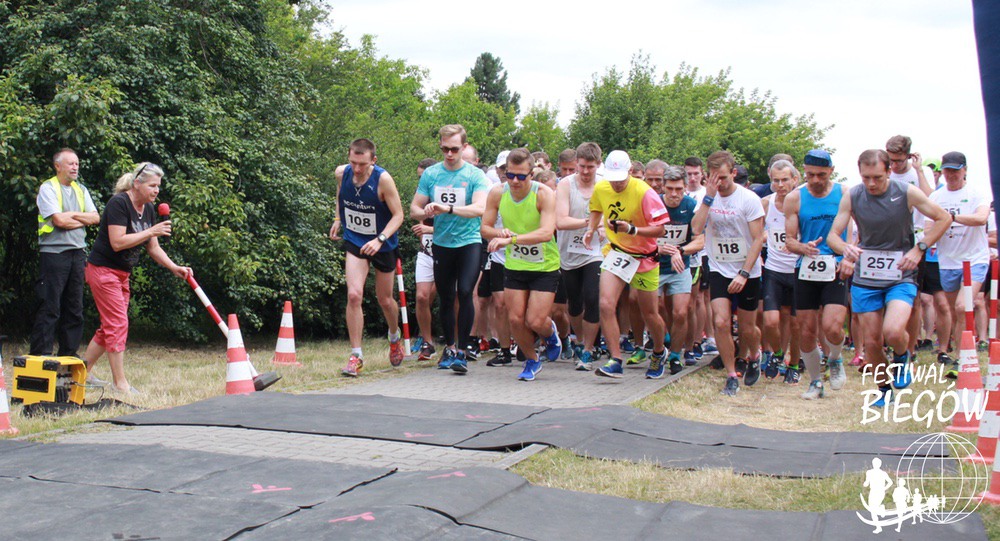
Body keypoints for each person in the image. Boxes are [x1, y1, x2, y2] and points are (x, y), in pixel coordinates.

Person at [827, 150, 950, 407]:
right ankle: (884, 391)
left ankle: (902, 356)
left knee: (893, 331)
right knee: (872, 342)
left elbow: (943, 218)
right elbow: (833, 236)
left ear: (889, 172)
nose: (871, 183)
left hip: (900, 273)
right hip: (866, 276)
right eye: (866, 177)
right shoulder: (853, 196)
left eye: (877, 177)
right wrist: (845, 249)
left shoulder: (906, 192)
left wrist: (919, 249)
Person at [82, 162, 191, 394]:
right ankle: (120, 384)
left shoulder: (148, 209)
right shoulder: (119, 203)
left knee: (109, 326)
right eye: (152, 185)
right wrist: (151, 231)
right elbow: (117, 242)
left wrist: (174, 267)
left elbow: (153, 248)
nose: (156, 190)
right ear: (137, 184)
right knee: (117, 324)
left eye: (158, 186)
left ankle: (82, 373)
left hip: (122, 274)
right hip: (103, 271)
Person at [410, 125, 490, 374]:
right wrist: (426, 211)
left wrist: (449, 209)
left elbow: (480, 208)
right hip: (442, 243)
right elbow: (414, 209)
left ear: (464, 147)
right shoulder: (432, 174)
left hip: (469, 242)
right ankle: (450, 348)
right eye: (445, 149)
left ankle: (463, 351)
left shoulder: (475, 175)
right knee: (445, 297)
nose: (449, 154)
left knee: (465, 292)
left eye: (454, 149)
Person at [584, 150, 670, 379]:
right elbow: (596, 208)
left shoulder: (644, 192)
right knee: (605, 304)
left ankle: (659, 351)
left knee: (649, 313)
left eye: (621, 179)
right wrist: (591, 229)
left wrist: (632, 229)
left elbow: (661, 229)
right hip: (617, 252)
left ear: (630, 171)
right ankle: (615, 360)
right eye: (612, 179)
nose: (616, 184)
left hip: (644, 256)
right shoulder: (602, 187)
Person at [482, 149, 562, 381]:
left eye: (521, 176)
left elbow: (546, 233)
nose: (515, 181)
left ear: (531, 174)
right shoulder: (497, 193)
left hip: (544, 266)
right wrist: (499, 232)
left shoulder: (543, 194)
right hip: (516, 264)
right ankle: (532, 360)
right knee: (515, 319)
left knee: (535, 320)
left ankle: (550, 333)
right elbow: (485, 228)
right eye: (510, 175)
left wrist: (512, 240)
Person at [691, 151, 766, 396]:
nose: (719, 183)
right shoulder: (707, 197)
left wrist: (744, 273)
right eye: (714, 178)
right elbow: (696, 229)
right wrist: (708, 198)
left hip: (747, 270)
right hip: (719, 268)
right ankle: (731, 375)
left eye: (723, 177)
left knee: (747, 328)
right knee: (721, 322)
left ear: (733, 173)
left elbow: (758, 239)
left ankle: (754, 355)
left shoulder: (749, 199)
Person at [329, 139, 405, 377]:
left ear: (373, 160)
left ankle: (394, 336)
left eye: (362, 164)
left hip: (383, 244)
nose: (357, 168)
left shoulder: (383, 180)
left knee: (385, 300)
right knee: (354, 295)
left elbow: (399, 215)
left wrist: (380, 239)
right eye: (353, 162)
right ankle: (356, 355)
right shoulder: (342, 173)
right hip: (355, 240)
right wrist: (338, 219)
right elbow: (340, 196)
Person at [784, 150, 851, 399]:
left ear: (831, 171)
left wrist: (848, 258)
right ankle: (815, 382)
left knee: (832, 327)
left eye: (821, 175)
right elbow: (789, 240)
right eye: (810, 174)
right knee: (806, 329)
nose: (815, 180)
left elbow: (855, 231)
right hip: (807, 268)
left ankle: (835, 358)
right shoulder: (795, 197)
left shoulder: (844, 194)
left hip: (835, 265)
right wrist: (804, 247)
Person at [30, 148, 100, 362]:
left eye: (77, 163)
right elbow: (59, 221)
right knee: (50, 305)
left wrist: (71, 215)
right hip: (54, 253)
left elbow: (95, 218)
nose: (75, 167)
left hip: (77, 253)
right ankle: (41, 355)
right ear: (57, 166)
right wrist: (80, 218)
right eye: (70, 163)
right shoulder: (48, 188)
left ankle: (68, 356)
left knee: (74, 307)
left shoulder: (81, 189)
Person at [927, 151, 990, 377]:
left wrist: (950, 218)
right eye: (947, 171)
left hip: (975, 258)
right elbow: (928, 227)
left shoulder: (976, 194)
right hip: (948, 261)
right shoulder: (936, 197)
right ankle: (957, 352)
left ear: (965, 170)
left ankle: (964, 359)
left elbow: (981, 218)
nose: (951, 175)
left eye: (956, 170)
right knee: (955, 312)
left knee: (964, 307)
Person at [555, 142, 605, 371]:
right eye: (582, 166)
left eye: (590, 167)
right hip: (570, 251)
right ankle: (581, 340)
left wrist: (601, 229)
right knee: (574, 303)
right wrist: (591, 223)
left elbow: (611, 219)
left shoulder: (604, 186)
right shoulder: (566, 185)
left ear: (598, 165)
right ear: (576, 163)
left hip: (595, 252)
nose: (585, 171)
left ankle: (588, 349)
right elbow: (561, 221)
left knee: (592, 297)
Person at [656, 164, 704, 373]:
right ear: (663, 187)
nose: (674, 194)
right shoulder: (653, 203)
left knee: (681, 312)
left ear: (685, 187)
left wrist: (680, 250)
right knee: (655, 309)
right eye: (670, 189)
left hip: (680, 266)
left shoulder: (691, 206)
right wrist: (658, 248)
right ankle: (663, 341)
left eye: (678, 189)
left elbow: (700, 240)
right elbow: (641, 236)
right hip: (655, 266)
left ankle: (676, 355)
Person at [759, 159, 800, 382]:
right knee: (771, 321)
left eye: (785, 180)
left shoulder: (804, 202)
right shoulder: (766, 203)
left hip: (798, 269)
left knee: (795, 322)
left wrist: (798, 244)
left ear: (795, 179)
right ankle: (776, 354)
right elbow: (756, 233)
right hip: (774, 268)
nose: (780, 185)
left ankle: (793, 364)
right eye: (776, 180)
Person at [684, 157, 717, 359]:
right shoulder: (680, 192)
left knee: (701, 298)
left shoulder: (707, 193)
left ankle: (703, 339)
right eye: (689, 174)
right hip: (684, 250)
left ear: (702, 173)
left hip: (704, 252)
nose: (693, 177)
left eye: (696, 173)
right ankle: (688, 338)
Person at [410, 158, 439, 361]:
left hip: (448, 251)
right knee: (422, 297)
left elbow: (457, 225)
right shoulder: (421, 195)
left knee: (447, 296)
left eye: (423, 177)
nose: (421, 181)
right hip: (426, 251)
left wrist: (430, 230)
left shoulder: (446, 193)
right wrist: (424, 239)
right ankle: (426, 341)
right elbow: (419, 222)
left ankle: (458, 343)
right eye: (419, 177)